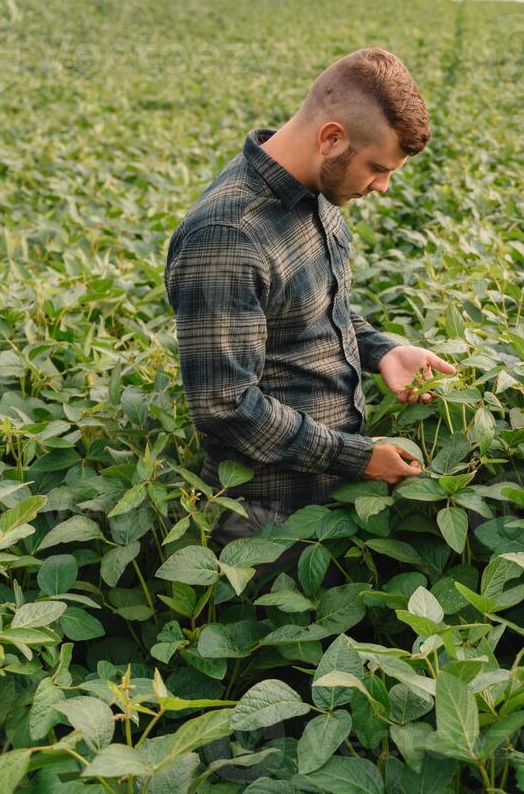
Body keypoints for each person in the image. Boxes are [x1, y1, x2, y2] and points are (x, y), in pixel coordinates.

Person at [164, 48, 457, 546]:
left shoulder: (315, 194)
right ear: (332, 138)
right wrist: (357, 457)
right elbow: (225, 405)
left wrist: (383, 351)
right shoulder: (227, 235)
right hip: (263, 518)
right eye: (378, 168)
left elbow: (317, 309)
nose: (383, 187)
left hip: (330, 495)